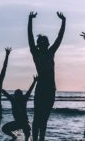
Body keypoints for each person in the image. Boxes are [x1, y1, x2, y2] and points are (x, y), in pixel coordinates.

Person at [27, 11, 66, 141]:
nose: (43, 44)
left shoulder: (50, 52)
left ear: (47, 44)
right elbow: (30, 37)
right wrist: (30, 20)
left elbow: (59, 38)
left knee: (43, 119)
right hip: (42, 88)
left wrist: (63, 21)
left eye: (45, 42)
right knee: (37, 118)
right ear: (39, 45)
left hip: (50, 89)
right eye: (41, 42)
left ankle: (41, 139)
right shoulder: (36, 54)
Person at [1, 75, 38, 141]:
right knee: (4, 129)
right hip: (17, 122)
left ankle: (25, 138)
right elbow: (5, 93)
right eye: (16, 95)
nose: (17, 96)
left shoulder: (23, 99)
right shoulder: (14, 100)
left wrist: (34, 81)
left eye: (18, 95)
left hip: (25, 123)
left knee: (27, 135)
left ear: (20, 95)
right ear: (15, 95)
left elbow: (30, 90)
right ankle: (14, 137)